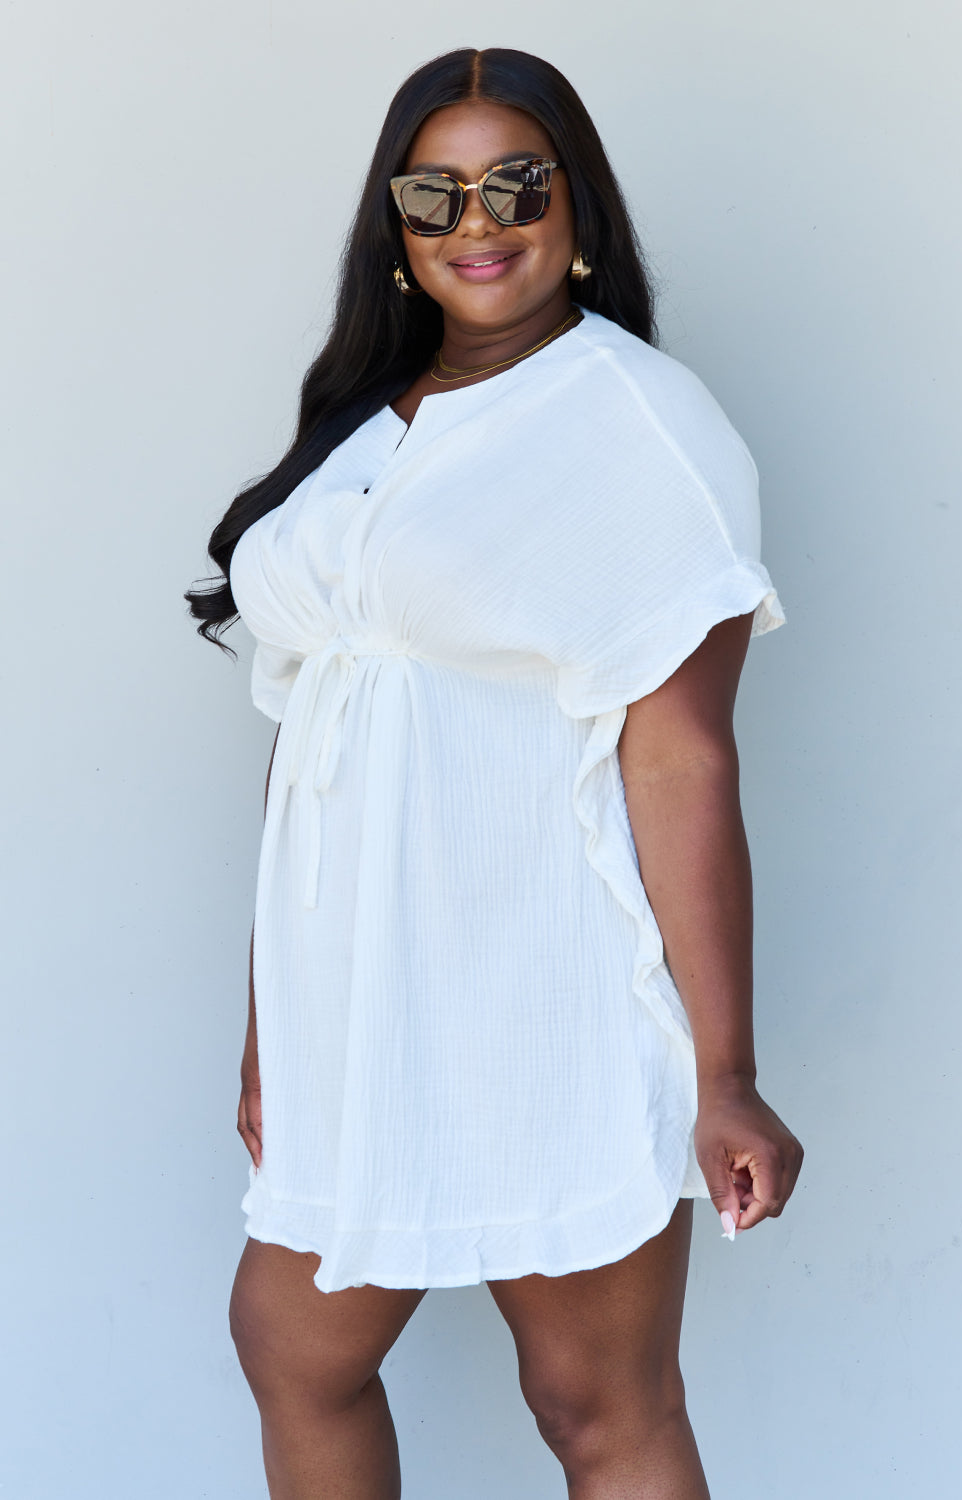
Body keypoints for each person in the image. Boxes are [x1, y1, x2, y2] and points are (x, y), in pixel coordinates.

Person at [186, 45, 803, 1500]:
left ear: (576, 207)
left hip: (546, 982)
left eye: (518, 181)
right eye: (437, 189)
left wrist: (728, 1075)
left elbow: (684, 756)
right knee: (292, 1346)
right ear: (395, 229)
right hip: (360, 1000)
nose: (480, 217)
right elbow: (318, 736)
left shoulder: (639, 422)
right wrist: (276, 1021)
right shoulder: (362, 427)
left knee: (597, 1404)